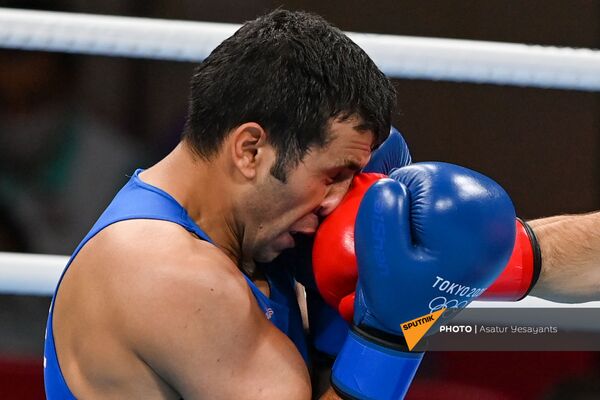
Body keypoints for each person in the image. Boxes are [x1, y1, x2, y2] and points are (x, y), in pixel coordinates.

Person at [44, 9, 398, 399]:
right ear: (250, 150)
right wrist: (394, 333)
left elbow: (474, 331)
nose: (337, 202)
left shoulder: (255, 239)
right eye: (332, 176)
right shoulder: (168, 272)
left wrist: (426, 314)